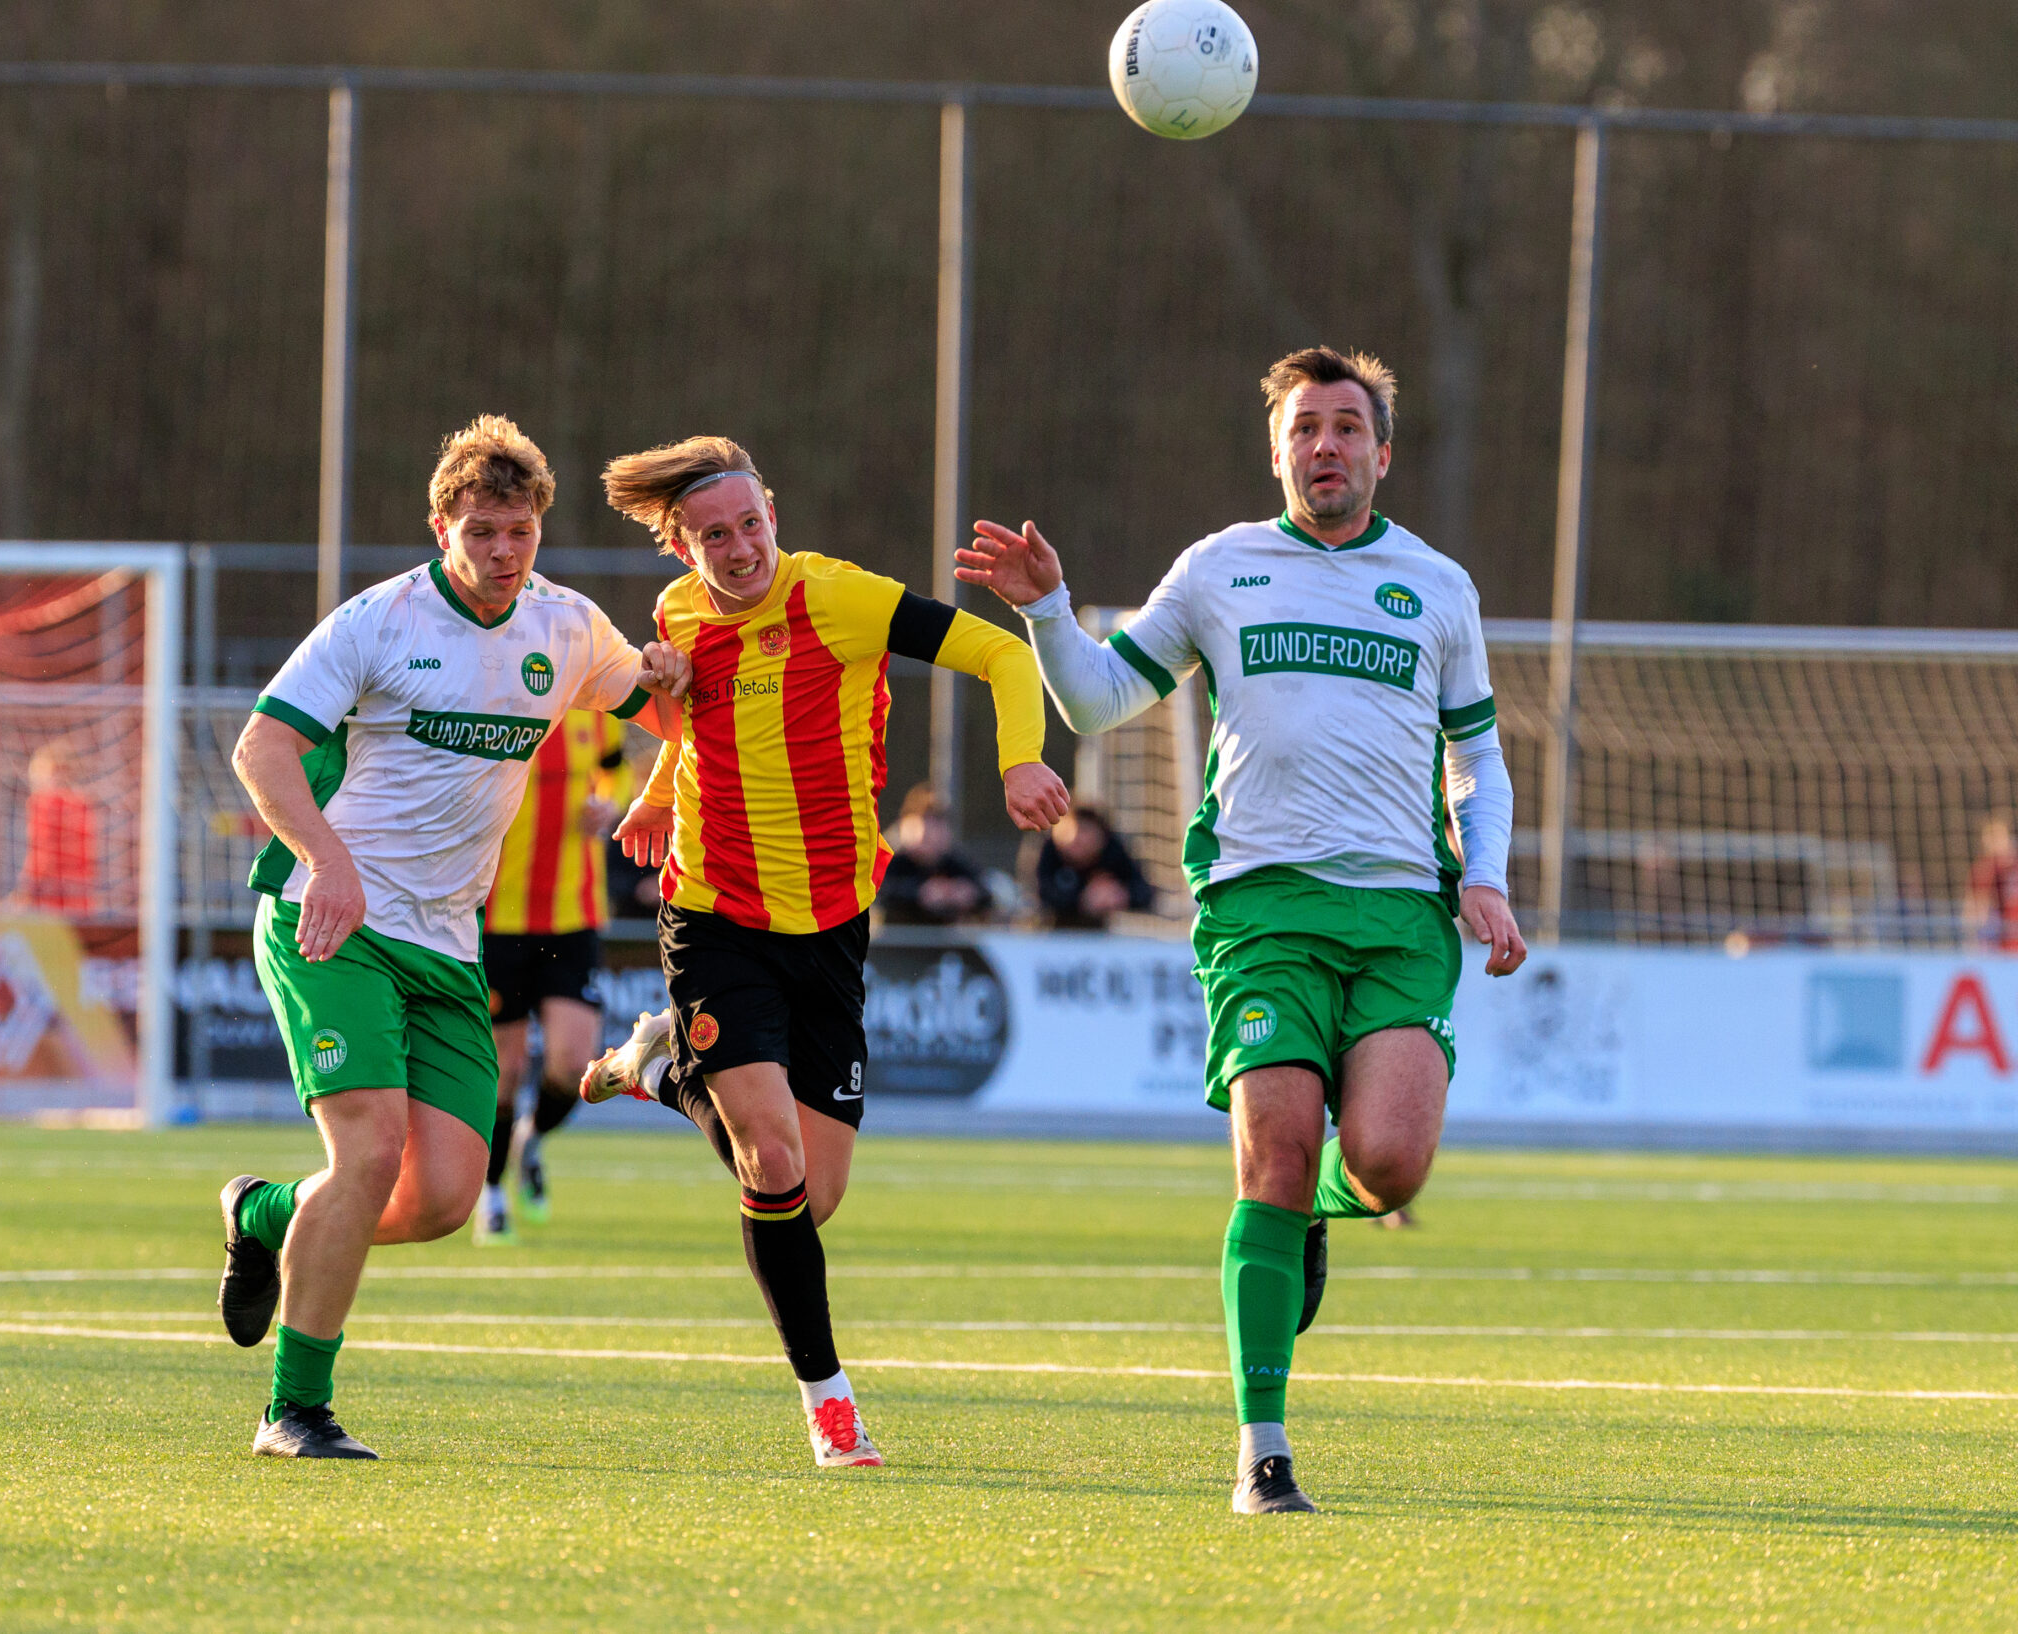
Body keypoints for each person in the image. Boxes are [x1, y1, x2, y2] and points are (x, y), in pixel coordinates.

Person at [956, 346, 1527, 1515]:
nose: (1326, 445)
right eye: (1305, 428)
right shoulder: (1219, 569)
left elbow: (1478, 755)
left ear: (1381, 450)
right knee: (1271, 1153)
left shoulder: (1438, 585)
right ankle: (1262, 1451)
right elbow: (1102, 700)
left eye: (1346, 427)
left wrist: (1490, 873)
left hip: (1400, 914)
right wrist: (1048, 611)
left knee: (1387, 1162)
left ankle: (1317, 1209)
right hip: (1259, 906)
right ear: (1277, 451)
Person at [583, 435, 1069, 1468]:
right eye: (714, 534)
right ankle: (829, 1403)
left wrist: (1020, 755)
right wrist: (659, 791)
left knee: (814, 1191)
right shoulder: (673, 619)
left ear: (774, 516)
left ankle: (663, 1070)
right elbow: (695, 725)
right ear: (681, 544)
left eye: (752, 523)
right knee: (769, 1158)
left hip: (835, 924)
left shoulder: (836, 598)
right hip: (715, 914)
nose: (740, 547)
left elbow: (1003, 653)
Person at [214, 415, 687, 1461]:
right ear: (442, 527)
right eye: (480, 530)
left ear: (538, 532)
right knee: (371, 1151)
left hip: (445, 941)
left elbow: (662, 710)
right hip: (326, 918)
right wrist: (329, 861)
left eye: (517, 531)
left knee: (437, 1199)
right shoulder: (377, 621)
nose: (500, 551)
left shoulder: (563, 627)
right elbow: (262, 747)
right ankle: (295, 1408)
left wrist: (665, 701)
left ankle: (263, 1212)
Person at [473, 703, 635, 1242]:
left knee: (572, 1064)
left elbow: (615, 767)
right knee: (507, 1069)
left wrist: (608, 803)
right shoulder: (497, 699)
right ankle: (492, 1194)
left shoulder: (596, 707)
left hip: (573, 915)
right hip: (499, 918)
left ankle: (531, 1138)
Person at [874, 781, 992, 927]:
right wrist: (920, 893)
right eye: (926, 822)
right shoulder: (892, 861)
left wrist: (966, 893)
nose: (932, 833)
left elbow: (987, 893)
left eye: (938, 824)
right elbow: (880, 895)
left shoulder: (954, 862)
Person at [1036, 803, 1156, 930]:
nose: (1075, 837)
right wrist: (1083, 899)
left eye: (1084, 831)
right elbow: (1037, 894)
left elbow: (1144, 892)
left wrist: (1121, 895)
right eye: (1068, 830)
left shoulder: (1114, 852)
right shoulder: (1047, 852)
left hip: (1108, 937)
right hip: (1053, 936)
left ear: (1101, 834)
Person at [15, 743, 99, 915]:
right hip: (81, 901)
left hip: (50, 902)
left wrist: (23, 893)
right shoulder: (82, 803)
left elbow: (43, 856)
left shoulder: (44, 803)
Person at [1963, 817, 2018, 950]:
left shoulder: (2012, 865)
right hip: (2001, 943)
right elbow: (1973, 906)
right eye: (1991, 839)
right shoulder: (1984, 870)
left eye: (1999, 838)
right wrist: (1971, 939)